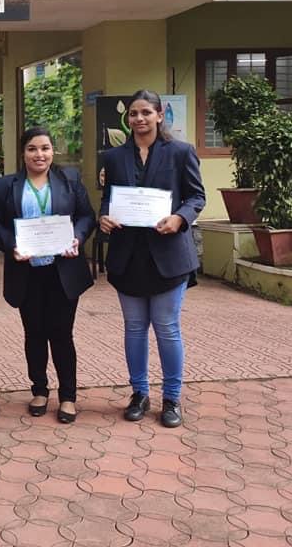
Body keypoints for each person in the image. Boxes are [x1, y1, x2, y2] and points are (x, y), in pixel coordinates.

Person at [99, 89, 205, 428]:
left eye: (146, 112)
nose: (139, 118)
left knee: (167, 327)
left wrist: (179, 218)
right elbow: (109, 199)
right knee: (134, 328)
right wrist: (104, 217)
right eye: (133, 113)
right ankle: (139, 394)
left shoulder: (181, 152)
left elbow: (196, 197)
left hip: (168, 256)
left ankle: (171, 398)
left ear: (160, 115)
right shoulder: (113, 157)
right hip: (128, 256)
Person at [0, 127, 96, 424]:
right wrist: (11, 246)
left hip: (63, 270)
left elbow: (86, 216)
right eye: (32, 149)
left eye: (45, 148)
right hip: (27, 271)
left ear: (53, 151)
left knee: (62, 333)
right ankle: (39, 390)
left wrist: (77, 237)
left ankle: (68, 396)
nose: (39, 155)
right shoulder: (6, 186)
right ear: (22, 153)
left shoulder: (70, 179)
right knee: (34, 333)